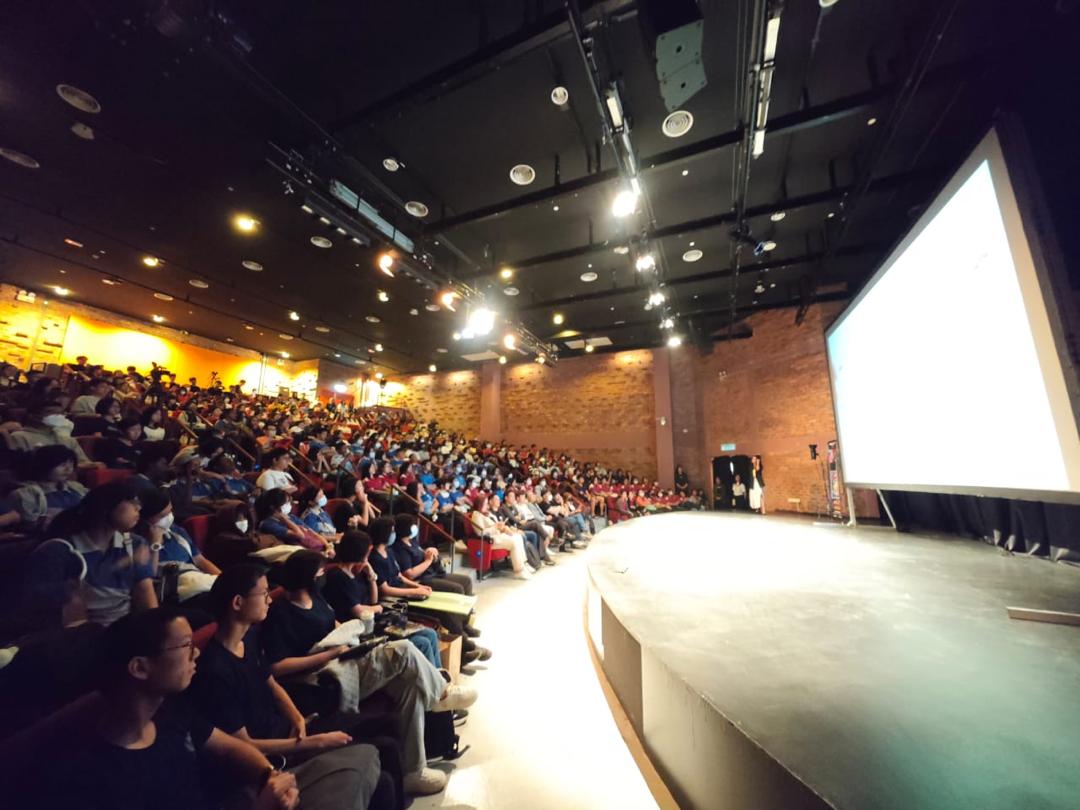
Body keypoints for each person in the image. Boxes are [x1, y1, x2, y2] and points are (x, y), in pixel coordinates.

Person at [11, 606, 385, 810]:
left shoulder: (168, 711)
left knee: (370, 759)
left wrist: (268, 776)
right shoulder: (93, 775)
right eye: (184, 646)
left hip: (242, 796)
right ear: (139, 667)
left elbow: (231, 747)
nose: (195, 654)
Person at [260, 551, 476, 796]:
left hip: (342, 656)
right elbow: (277, 666)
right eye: (319, 572)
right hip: (321, 676)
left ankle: (413, 772)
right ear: (307, 577)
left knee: (410, 688)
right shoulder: (281, 614)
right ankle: (441, 693)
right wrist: (328, 654)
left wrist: (350, 633)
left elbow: (331, 625)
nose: (323, 575)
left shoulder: (315, 597)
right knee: (403, 650)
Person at [190, 565, 402, 809]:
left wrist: (298, 719)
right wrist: (314, 742)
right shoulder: (214, 671)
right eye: (264, 593)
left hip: (290, 730)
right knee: (384, 761)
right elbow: (244, 745)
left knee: (390, 725)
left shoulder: (248, 639)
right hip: (273, 755)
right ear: (238, 602)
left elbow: (272, 685)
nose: (270, 599)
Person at [324, 531, 445, 669]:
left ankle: (439, 675)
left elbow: (373, 600)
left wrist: (371, 577)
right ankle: (434, 680)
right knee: (422, 642)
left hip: (376, 621)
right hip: (362, 630)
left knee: (430, 633)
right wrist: (377, 608)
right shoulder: (338, 576)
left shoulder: (358, 572)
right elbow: (358, 611)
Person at [44, 481, 158, 626]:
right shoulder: (65, 549)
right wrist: (124, 563)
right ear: (108, 507)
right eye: (132, 502)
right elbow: (70, 615)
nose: (138, 508)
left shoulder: (133, 543)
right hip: (82, 631)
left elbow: (147, 602)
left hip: (124, 628)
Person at [391, 513, 477, 596]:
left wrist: (430, 551)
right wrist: (428, 561)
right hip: (422, 579)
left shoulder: (412, 541)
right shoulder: (400, 548)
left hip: (433, 573)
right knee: (458, 589)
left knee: (467, 581)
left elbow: (421, 553)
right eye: (412, 525)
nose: (415, 526)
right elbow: (409, 574)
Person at [10, 444, 88, 532]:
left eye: (71, 464)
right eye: (62, 465)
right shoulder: (27, 493)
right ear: (44, 465)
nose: (68, 469)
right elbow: (29, 526)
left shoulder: (75, 487)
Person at [7, 398, 95, 466]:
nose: (58, 416)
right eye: (51, 413)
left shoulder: (67, 440)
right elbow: (21, 465)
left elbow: (83, 462)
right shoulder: (19, 437)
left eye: (61, 413)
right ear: (33, 416)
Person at [256, 488, 334, 556]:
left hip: (319, 548)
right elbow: (299, 535)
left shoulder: (291, 517)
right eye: (286, 503)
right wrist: (282, 518)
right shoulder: (268, 524)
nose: (289, 505)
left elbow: (313, 533)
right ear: (274, 507)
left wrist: (328, 547)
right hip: (303, 554)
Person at [470, 494, 530, 578]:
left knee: (518, 537)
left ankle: (523, 565)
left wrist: (501, 527)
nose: (487, 506)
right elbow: (480, 532)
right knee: (513, 542)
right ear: (480, 504)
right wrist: (496, 527)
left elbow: (494, 525)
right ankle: (518, 571)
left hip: (497, 536)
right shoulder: (476, 515)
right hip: (490, 540)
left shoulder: (485, 514)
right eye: (485, 504)